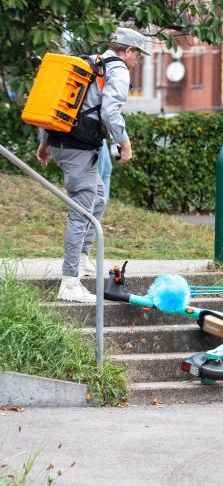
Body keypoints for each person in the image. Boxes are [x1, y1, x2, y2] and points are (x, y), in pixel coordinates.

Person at [36, 27, 148, 302]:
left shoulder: (89, 63)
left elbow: (53, 101)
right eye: (138, 56)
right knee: (81, 211)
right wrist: (125, 142)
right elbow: (110, 111)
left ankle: (83, 258)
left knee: (98, 197)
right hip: (79, 148)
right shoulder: (118, 70)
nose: (137, 62)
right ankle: (69, 283)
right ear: (129, 51)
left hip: (62, 143)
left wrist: (44, 142)